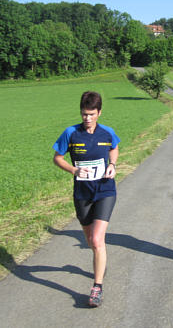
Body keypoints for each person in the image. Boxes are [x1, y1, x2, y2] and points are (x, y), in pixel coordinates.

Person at [52, 91, 120, 306]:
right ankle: (101, 262)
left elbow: (115, 148)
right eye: (84, 114)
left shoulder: (107, 133)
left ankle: (96, 288)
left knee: (98, 240)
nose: (87, 119)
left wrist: (112, 165)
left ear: (99, 113)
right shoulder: (70, 133)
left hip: (105, 191)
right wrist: (74, 170)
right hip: (82, 194)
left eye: (91, 114)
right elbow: (57, 158)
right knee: (90, 240)